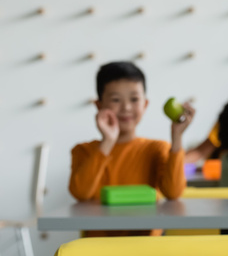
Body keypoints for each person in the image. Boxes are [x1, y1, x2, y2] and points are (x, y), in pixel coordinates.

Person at [69, 61, 194, 236]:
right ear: (99, 105)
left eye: (134, 99)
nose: (126, 107)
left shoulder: (157, 148)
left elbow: (173, 193)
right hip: (97, 250)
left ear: (145, 104)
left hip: (147, 251)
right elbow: (81, 193)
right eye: (115, 100)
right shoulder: (83, 151)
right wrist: (107, 142)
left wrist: (177, 137)